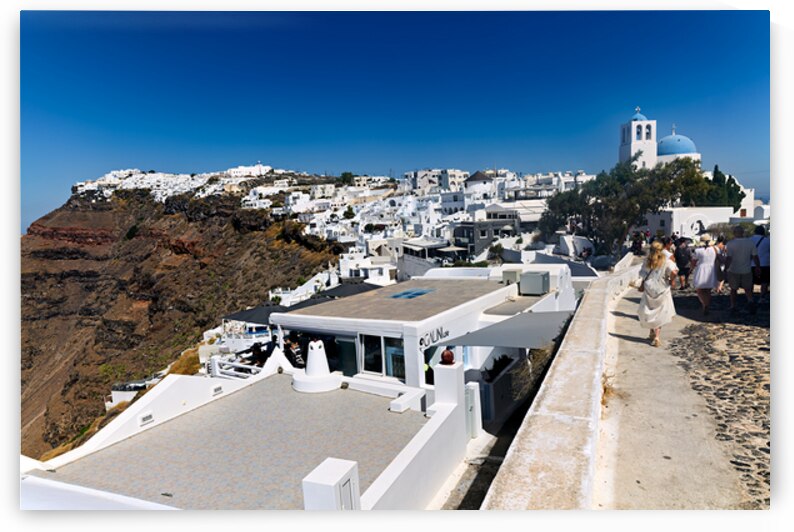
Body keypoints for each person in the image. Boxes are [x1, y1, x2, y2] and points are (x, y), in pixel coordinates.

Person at [638, 241, 678, 347]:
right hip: (662, 288)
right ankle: (656, 336)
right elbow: (674, 272)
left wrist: (642, 285)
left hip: (649, 288)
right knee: (660, 313)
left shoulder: (647, 260)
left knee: (651, 310)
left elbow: (643, 275)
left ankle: (651, 331)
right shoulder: (666, 261)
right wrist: (671, 280)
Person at [725, 225, 761, 315]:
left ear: (734, 233)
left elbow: (729, 258)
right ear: (743, 233)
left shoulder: (730, 244)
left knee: (733, 289)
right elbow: (755, 256)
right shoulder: (750, 243)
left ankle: (733, 306)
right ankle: (750, 302)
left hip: (733, 270)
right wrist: (757, 267)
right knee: (748, 289)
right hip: (746, 270)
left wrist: (725, 268)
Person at [690, 233, 719, 315]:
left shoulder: (698, 251)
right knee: (708, 290)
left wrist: (691, 269)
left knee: (700, 289)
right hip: (711, 269)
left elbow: (693, 262)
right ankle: (706, 305)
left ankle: (704, 304)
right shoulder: (715, 249)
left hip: (701, 269)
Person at [749, 225, 770, 301]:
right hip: (765, 263)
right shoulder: (768, 241)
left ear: (755, 231)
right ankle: (761, 297)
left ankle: (750, 297)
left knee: (751, 281)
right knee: (764, 281)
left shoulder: (749, 240)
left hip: (751, 264)